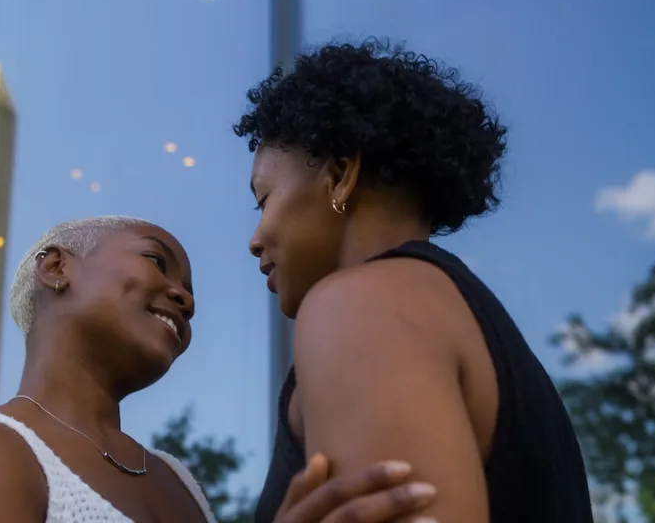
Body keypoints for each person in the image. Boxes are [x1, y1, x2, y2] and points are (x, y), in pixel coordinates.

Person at [236, 39, 595, 522]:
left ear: (341, 173)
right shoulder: (484, 338)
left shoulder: (360, 308)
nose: (255, 240)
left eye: (264, 200)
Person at [0, 216, 436, 523]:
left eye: (192, 292)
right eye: (157, 261)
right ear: (57, 267)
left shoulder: (181, 483)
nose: (185, 298)